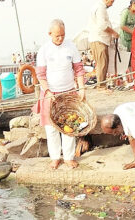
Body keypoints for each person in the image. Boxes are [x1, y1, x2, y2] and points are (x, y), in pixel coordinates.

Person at [34, 19, 86, 170]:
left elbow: (79, 69)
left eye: (62, 35)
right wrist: (48, 91)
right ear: (50, 34)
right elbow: (41, 75)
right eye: (57, 36)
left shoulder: (71, 46)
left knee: (69, 125)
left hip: (69, 91)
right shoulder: (43, 50)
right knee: (51, 128)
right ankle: (55, 157)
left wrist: (81, 88)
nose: (60, 38)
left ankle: (69, 157)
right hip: (50, 93)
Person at [88, 0, 119, 88]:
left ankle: (102, 85)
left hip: (99, 39)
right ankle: (101, 86)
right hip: (99, 39)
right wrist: (113, 32)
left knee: (102, 64)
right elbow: (102, 25)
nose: (112, 4)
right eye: (112, 1)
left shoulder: (98, 7)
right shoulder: (100, 7)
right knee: (102, 64)